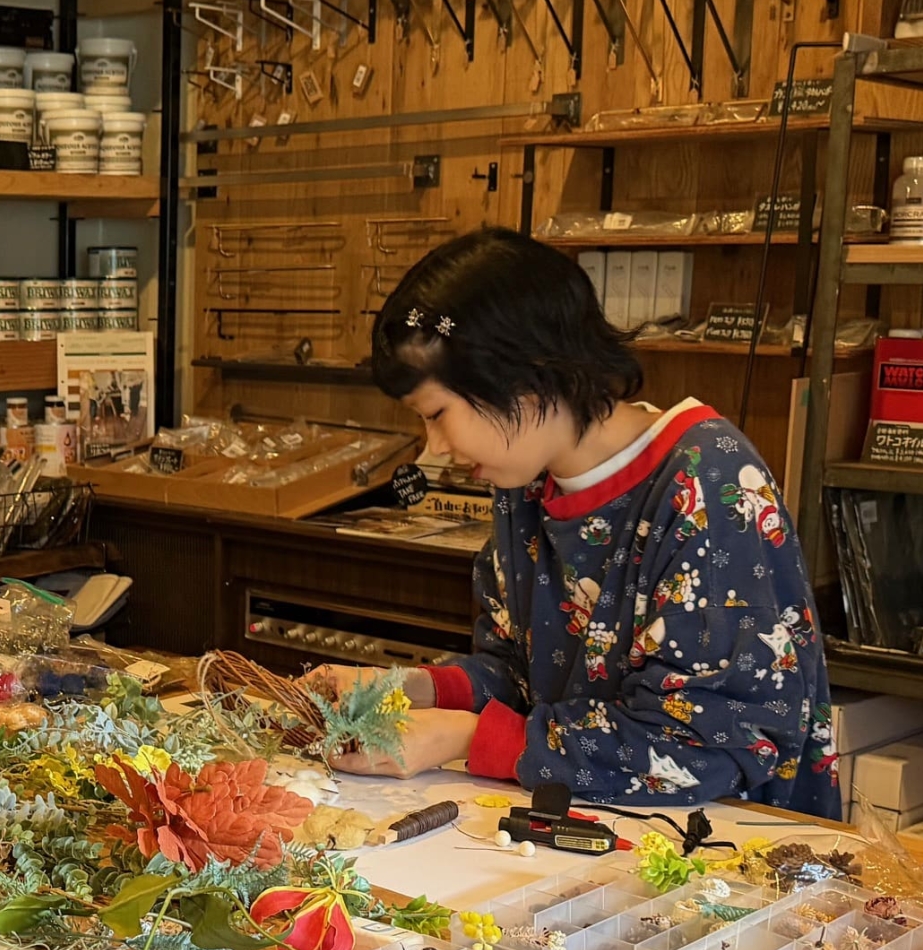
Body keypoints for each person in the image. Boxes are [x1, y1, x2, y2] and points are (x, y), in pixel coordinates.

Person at [313, 228, 837, 814]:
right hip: (592, 828)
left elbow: (703, 744)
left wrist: (465, 737)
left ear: (527, 380)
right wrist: (416, 691)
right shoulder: (527, 480)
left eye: (437, 414)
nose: (433, 446)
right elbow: (522, 673)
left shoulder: (707, 483)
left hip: (734, 852)